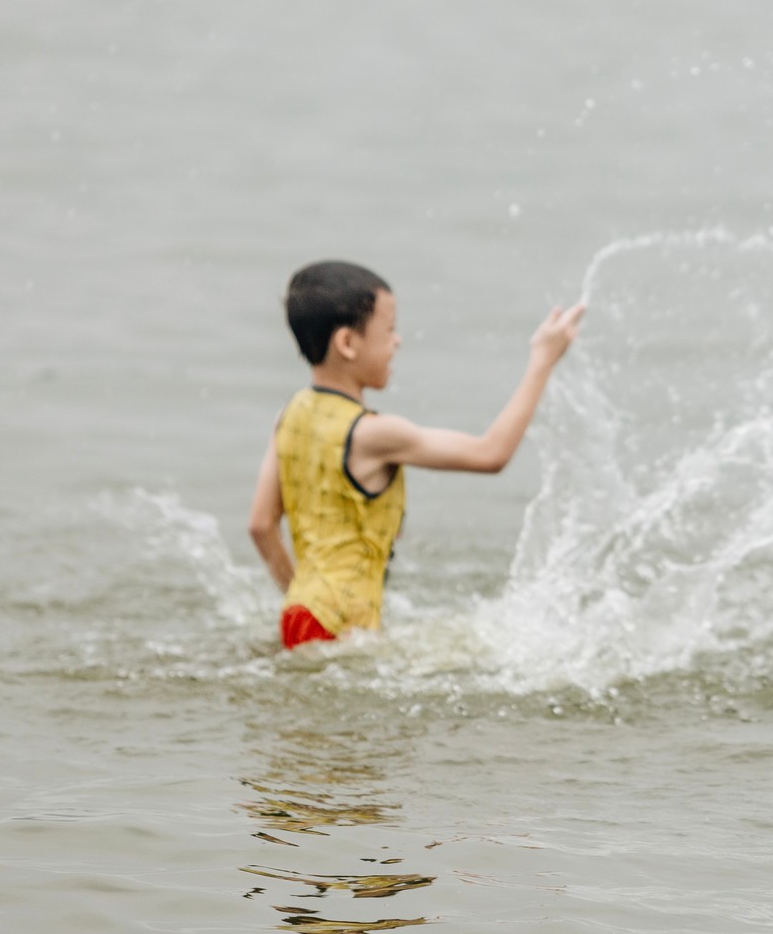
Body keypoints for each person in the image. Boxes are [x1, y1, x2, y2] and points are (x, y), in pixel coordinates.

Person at [247, 260, 586, 651]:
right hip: (338, 623)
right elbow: (490, 453)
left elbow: (260, 524)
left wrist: (300, 599)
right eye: (389, 330)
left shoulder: (288, 416)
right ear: (347, 343)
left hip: (301, 613)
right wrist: (542, 361)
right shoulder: (374, 435)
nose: (397, 341)